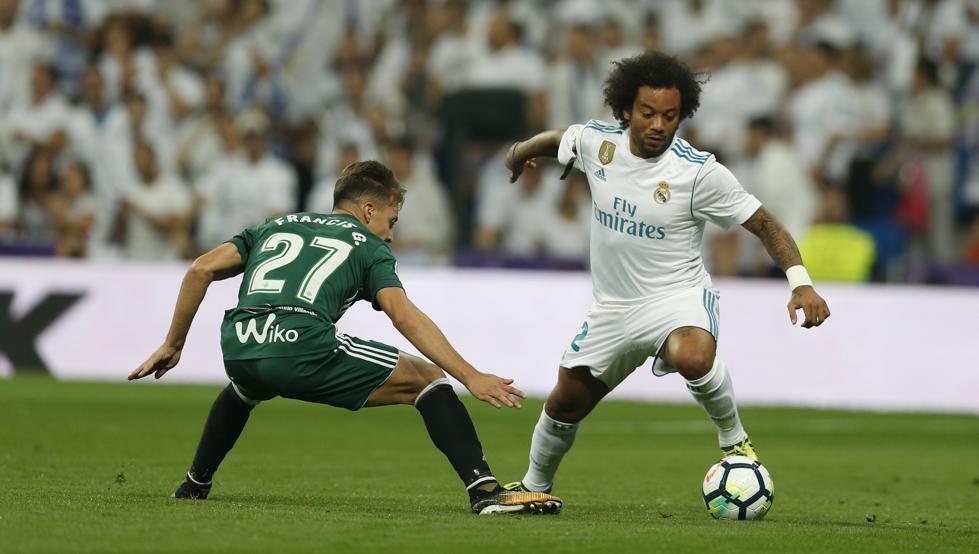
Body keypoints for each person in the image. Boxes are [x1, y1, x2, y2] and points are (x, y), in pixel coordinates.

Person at [127, 160, 562, 515]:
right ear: (370, 210)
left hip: (240, 342)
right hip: (300, 343)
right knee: (428, 379)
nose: (392, 233)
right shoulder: (368, 246)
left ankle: (194, 485)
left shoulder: (275, 225)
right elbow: (404, 316)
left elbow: (200, 268)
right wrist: (470, 375)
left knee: (245, 386)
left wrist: (173, 343)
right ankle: (484, 491)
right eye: (392, 219)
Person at [502, 52, 831, 495]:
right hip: (613, 308)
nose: (659, 124)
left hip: (677, 297)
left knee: (693, 355)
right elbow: (560, 138)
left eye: (670, 115)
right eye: (649, 113)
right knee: (565, 403)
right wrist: (519, 151)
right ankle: (533, 488)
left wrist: (801, 283)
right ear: (625, 110)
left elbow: (766, 224)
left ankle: (735, 442)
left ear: (683, 115)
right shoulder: (598, 144)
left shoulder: (698, 173)